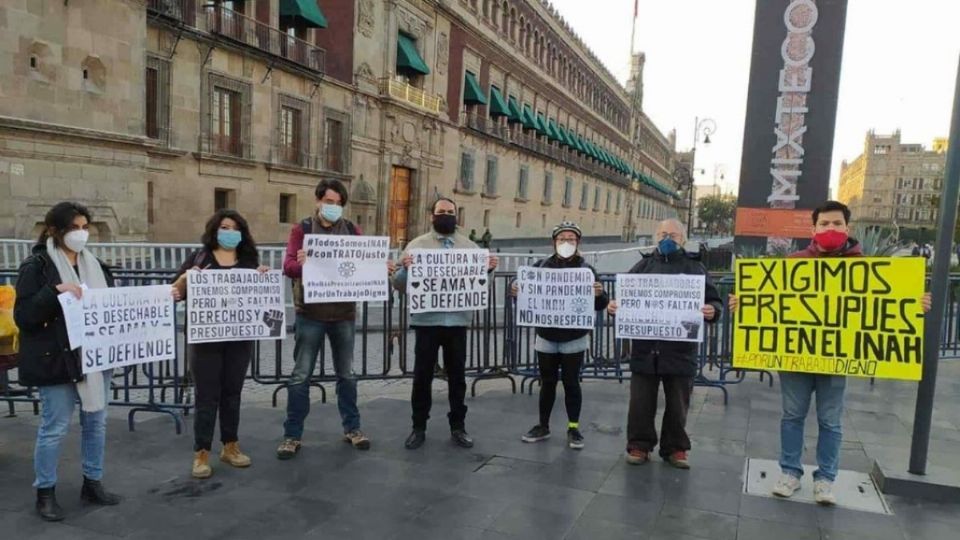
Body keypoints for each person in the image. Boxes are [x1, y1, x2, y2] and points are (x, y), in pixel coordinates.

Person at [729, 201, 932, 505]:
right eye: (824, 224)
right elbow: (771, 301)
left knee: (831, 421)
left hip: (836, 360)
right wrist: (743, 304)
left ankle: (825, 479)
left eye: (837, 224)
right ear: (813, 229)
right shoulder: (794, 262)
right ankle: (790, 473)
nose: (830, 229)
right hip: (796, 357)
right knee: (792, 416)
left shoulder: (867, 267)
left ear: (847, 228)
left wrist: (914, 304)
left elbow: (883, 304)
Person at [14, 201, 121, 521]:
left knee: (96, 424)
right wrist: (55, 291)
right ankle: (44, 492)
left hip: (93, 359)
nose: (81, 234)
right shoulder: (38, 266)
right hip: (56, 360)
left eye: (85, 227)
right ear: (54, 231)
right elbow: (25, 316)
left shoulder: (97, 266)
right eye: (74, 228)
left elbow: (112, 307)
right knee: (55, 427)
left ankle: (93, 482)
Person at [277, 179, 394, 459]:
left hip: (343, 315)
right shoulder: (302, 230)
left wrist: (382, 267)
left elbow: (363, 264)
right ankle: (292, 435)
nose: (334, 207)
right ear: (318, 201)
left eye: (339, 203)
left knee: (347, 375)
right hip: (311, 314)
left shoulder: (352, 230)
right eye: (329, 202)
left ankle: (352, 429)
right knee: (300, 376)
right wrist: (302, 263)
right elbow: (288, 267)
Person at [607, 218, 722, 469]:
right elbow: (623, 300)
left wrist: (713, 310)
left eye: (672, 234)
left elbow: (714, 300)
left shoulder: (696, 268)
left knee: (678, 403)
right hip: (645, 350)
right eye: (661, 234)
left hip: (680, 350)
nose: (666, 238)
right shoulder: (642, 266)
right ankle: (639, 444)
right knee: (640, 402)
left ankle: (675, 448)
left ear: (683, 239)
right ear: (654, 238)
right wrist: (614, 307)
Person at [391, 198, 498, 450]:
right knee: (422, 377)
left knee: (457, 377)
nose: (446, 215)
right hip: (427, 322)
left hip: (458, 322)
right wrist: (406, 270)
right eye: (441, 212)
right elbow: (398, 283)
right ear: (432, 216)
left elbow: (479, 287)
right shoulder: (416, 246)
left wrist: (488, 271)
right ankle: (418, 427)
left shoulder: (470, 247)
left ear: (456, 216)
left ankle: (458, 426)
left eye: (450, 212)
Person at [171, 209, 268, 479]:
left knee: (232, 393)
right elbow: (175, 293)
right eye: (225, 227)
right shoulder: (200, 258)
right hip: (205, 340)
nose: (229, 232)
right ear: (215, 230)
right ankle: (201, 452)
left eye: (235, 227)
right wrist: (186, 277)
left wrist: (263, 279)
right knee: (206, 396)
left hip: (239, 339)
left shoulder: (248, 261)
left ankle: (230, 446)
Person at [510, 222, 608, 449]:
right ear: (554, 242)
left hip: (574, 338)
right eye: (562, 238)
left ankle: (573, 427)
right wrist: (515, 291)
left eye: (571, 239)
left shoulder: (587, 270)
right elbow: (526, 295)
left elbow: (601, 303)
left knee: (572, 382)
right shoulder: (541, 266)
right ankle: (543, 425)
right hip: (546, 336)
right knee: (547, 383)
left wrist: (599, 294)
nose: (566, 242)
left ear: (578, 243)